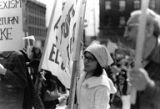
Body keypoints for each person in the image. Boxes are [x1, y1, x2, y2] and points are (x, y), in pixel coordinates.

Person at [124, 9, 160, 109]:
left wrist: (148, 85)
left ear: (148, 30)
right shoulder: (139, 61)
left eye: (129, 29)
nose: (125, 35)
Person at [76, 42, 117, 109]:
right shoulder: (84, 74)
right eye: (85, 57)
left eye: (90, 59)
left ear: (99, 62)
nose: (86, 61)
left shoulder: (102, 86)